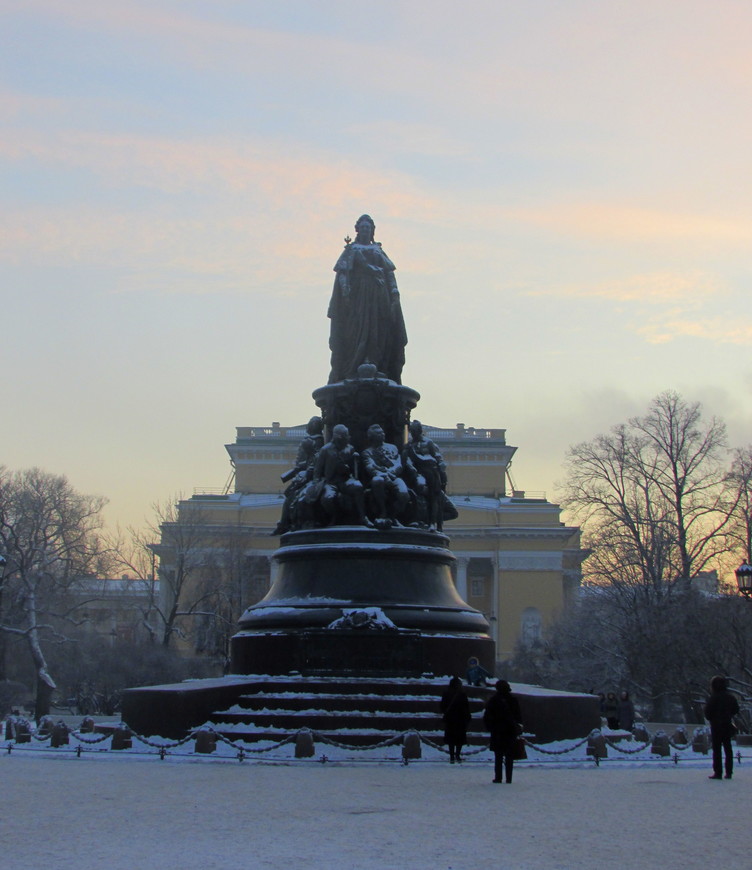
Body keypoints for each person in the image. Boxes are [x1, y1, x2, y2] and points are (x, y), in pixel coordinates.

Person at [327, 214, 408, 384]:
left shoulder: (378, 250)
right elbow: (342, 274)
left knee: (378, 331)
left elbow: (389, 273)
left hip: (379, 298)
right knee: (355, 332)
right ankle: (353, 366)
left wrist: (394, 293)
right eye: (362, 227)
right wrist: (345, 292)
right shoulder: (351, 250)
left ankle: (378, 364)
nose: (365, 230)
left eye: (368, 228)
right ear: (357, 230)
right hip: (358, 299)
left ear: (372, 231)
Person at [310, 424, 372, 527]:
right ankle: (335, 517)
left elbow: (354, 470)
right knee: (327, 498)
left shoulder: (350, 449)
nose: (349, 437)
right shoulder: (326, 449)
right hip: (331, 482)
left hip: (346, 480)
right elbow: (318, 469)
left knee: (358, 487)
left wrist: (353, 464)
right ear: (339, 437)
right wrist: (316, 484)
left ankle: (363, 517)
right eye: (346, 435)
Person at [272, 416, 324, 534]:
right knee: (291, 496)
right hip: (307, 474)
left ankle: (285, 524)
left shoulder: (311, 442)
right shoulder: (318, 441)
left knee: (291, 497)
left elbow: (310, 461)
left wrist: (300, 470)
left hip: (309, 476)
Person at [403, 419, 448, 530]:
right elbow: (408, 461)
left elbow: (437, 457)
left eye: (415, 431)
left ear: (420, 431)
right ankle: (419, 519)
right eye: (412, 431)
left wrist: (441, 468)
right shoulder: (409, 445)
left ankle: (432, 523)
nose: (413, 434)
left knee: (433, 497)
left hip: (431, 472)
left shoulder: (428, 442)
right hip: (419, 472)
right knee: (419, 493)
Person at [361, 423, 409, 525]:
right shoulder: (367, 452)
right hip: (379, 478)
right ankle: (383, 512)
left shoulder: (393, 447)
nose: (383, 434)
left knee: (404, 494)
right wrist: (384, 475)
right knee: (377, 480)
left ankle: (393, 515)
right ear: (372, 437)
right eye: (379, 433)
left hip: (394, 477)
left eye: (382, 432)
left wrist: (390, 473)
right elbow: (370, 468)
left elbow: (398, 464)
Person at [483, 680, 522, 784]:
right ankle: (509, 778)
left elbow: (487, 716)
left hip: (498, 731)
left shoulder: (493, 700)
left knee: (498, 756)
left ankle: (498, 777)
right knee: (509, 756)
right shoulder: (513, 700)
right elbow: (518, 716)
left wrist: (491, 727)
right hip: (510, 731)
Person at [704, 674, 740, 780]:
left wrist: (713, 718)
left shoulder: (713, 698)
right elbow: (736, 710)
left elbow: (708, 712)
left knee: (717, 749)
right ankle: (729, 772)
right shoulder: (730, 697)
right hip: (727, 724)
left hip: (716, 726)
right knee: (728, 749)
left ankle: (718, 772)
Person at [440, 677, 472, 764]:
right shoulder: (462, 694)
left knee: (451, 739)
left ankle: (452, 756)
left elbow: (442, 707)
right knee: (459, 739)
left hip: (450, 720)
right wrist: (468, 717)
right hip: (460, 720)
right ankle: (457, 755)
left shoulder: (446, 694)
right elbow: (466, 708)